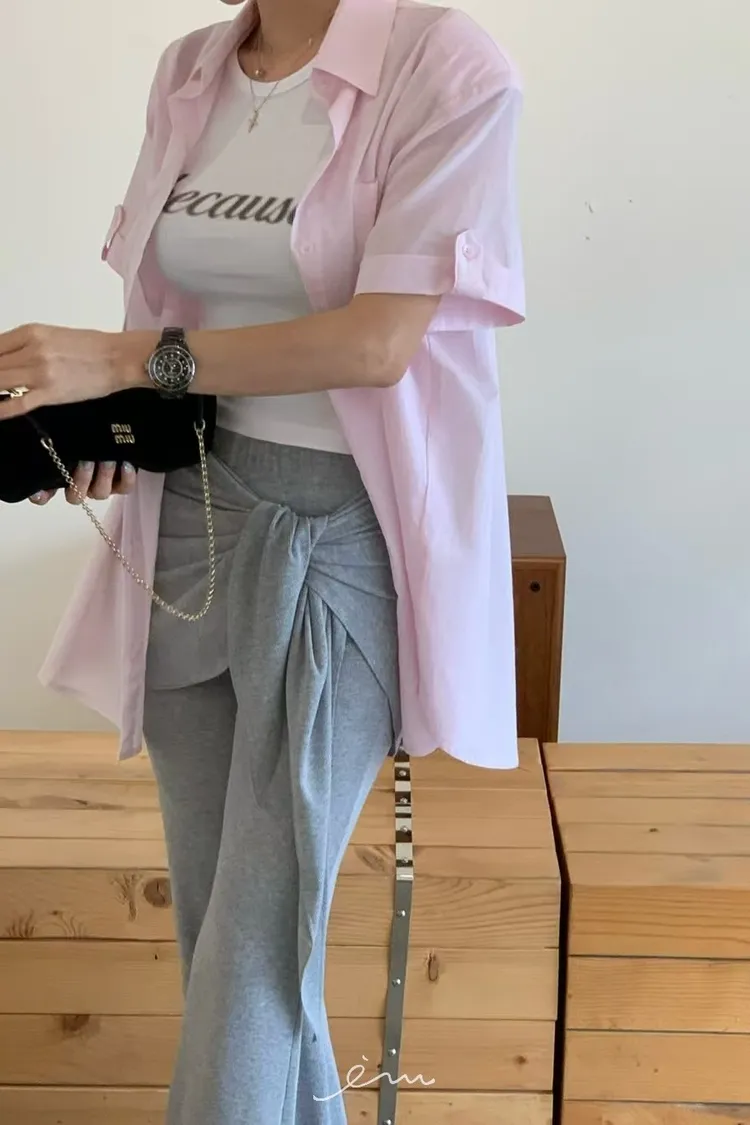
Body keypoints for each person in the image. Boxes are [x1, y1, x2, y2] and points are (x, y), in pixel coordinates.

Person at [0, 0, 524, 1120]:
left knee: (254, 943)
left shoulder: (444, 65)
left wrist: (120, 359)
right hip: (194, 511)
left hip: (342, 536)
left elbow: (377, 343)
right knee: (225, 932)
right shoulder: (193, 69)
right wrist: (112, 423)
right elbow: (178, 311)